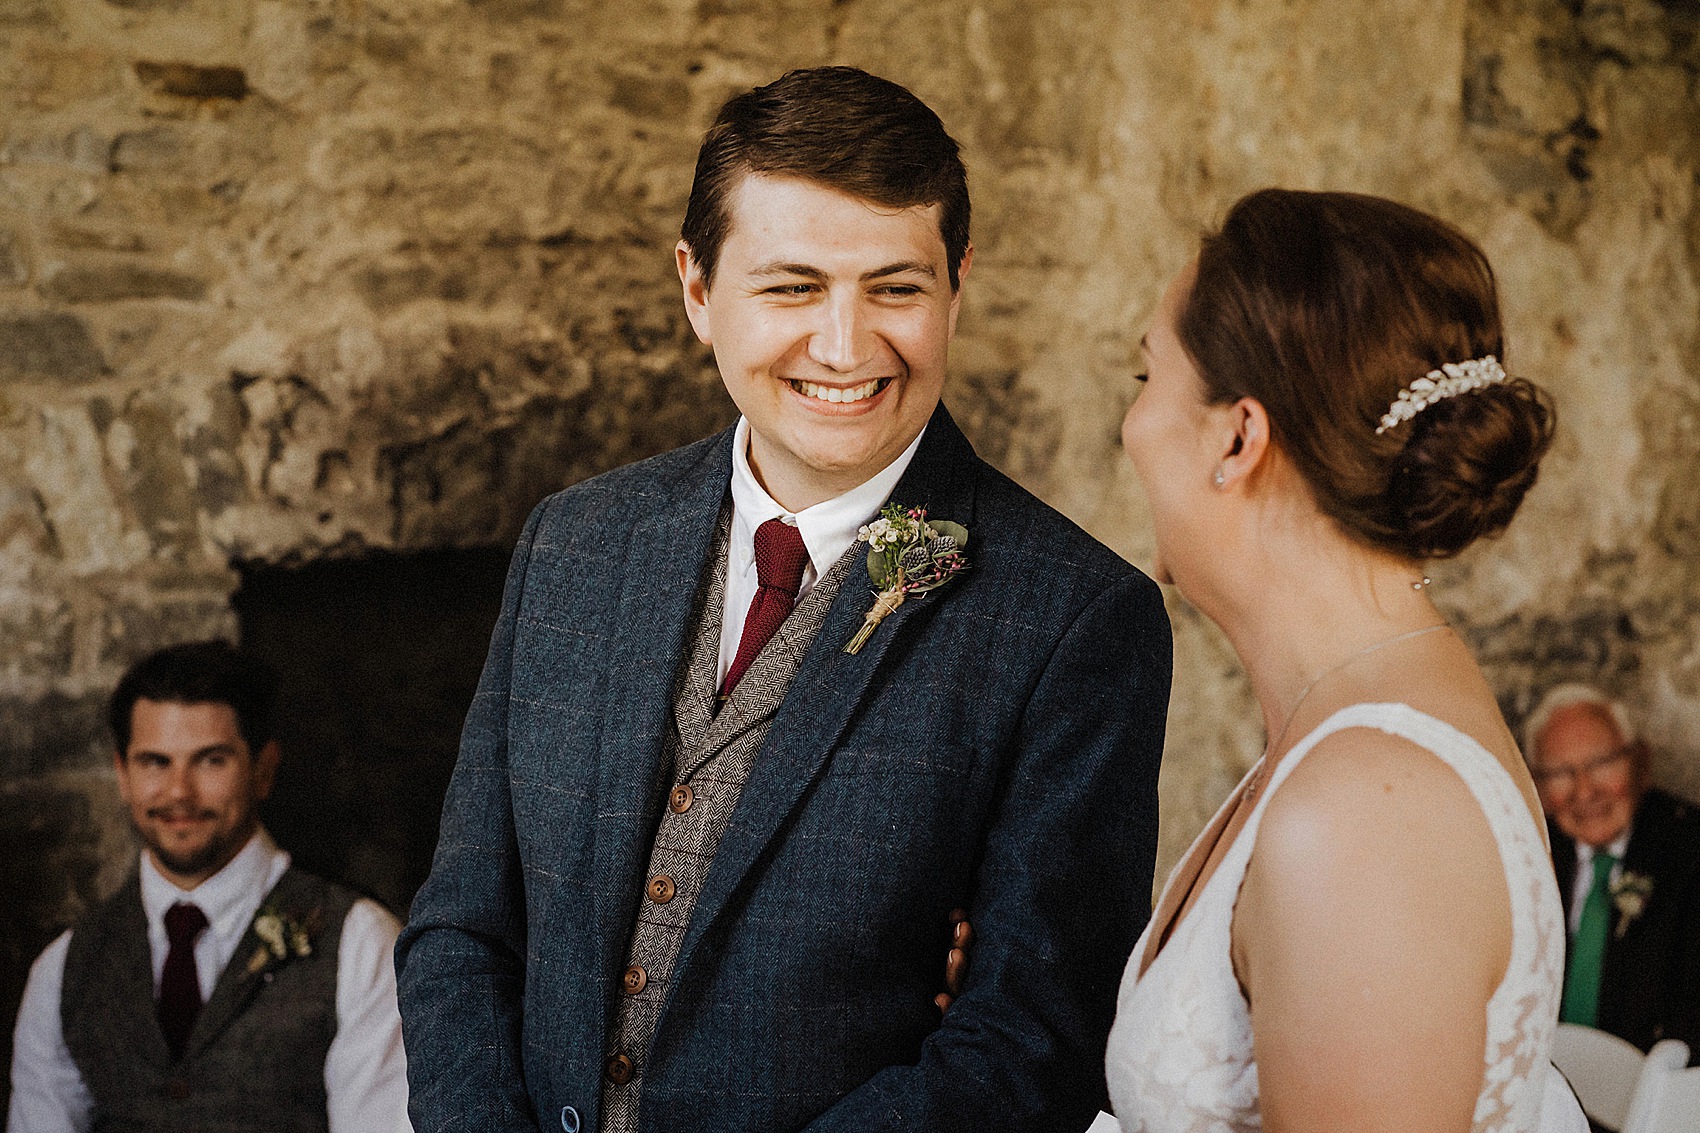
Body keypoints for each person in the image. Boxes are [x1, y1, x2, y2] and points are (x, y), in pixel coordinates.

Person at [395, 66, 1172, 1133]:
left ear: (957, 284)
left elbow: (1033, 1040)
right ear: (696, 290)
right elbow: (462, 925)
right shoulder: (572, 541)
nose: (845, 348)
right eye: (792, 286)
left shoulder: (1075, 617)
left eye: (894, 287)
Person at [1104, 188, 1586, 1132]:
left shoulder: (1366, 814)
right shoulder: (1350, 734)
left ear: (1238, 437)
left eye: (1143, 379)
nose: (1131, 428)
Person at [7, 640, 411, 1133]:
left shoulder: (362, 943)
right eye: (155, 762)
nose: (179, 792)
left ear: (263, 769)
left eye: (210, 760)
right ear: (123, 774)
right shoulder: (64, 968)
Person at [1525, 683, 1700, 1056]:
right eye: (1560, 773)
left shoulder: (1689, 850)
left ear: (1640, 762)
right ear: (1537, 786)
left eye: (1602, 763)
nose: (1584, 791)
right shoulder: (1528, 858)